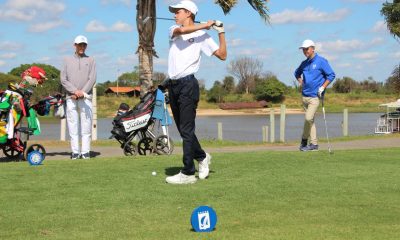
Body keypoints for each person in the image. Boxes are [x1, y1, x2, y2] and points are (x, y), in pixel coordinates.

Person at [165, 0, 227, 184]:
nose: (175, 14)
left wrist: (221, 32)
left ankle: (188, 172)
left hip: (188, 85)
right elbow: (183, 31)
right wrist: (206, 25)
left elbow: (222, 55)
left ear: (188, 13)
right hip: (173, 86)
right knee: (184, 130)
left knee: (186, 129)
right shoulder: (173, 30)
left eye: (178, 11)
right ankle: (202, 157)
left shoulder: (202, 36)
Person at [294, 39, 335, 151]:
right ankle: (314, 144)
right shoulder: (304, 63)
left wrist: (322, 87)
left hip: (315, 96)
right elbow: (296, 73)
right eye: (303, 49)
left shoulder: (321, 61)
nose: (305, 51)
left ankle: (304, 140)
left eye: (306, 49)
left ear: (313, 48)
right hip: (304, 96)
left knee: (308, 118)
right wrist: (301, 81)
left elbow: (331, 75)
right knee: (310, 121)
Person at [61, 35, 96, 159]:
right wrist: (75, 91)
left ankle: (85, 152)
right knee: (73, 126)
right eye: (80, 44)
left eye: (84, 45)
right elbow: (63, 79)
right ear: (74, 45)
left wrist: (82, 92)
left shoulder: (91, 59)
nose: (82, 47)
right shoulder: (66, 59)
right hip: (71, 98)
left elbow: (92, 78)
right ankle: (75, 152)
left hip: (85, 98)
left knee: (86, 127)